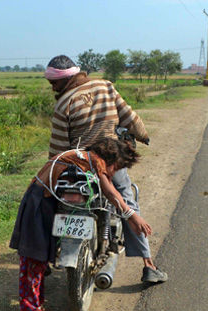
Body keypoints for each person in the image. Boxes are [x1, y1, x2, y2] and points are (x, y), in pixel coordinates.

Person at [43, 55, 167, 284]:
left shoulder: (63, 105)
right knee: (127, 202)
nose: (53, 87)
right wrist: (143, 135)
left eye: (55, 83)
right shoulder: (105, 86)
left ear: (67, 79)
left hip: (79, 165)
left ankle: (44, 258)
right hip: (111, 161)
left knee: (54, 202)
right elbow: (129, 116)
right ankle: (149, 265)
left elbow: (58, 149)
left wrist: (54, 171)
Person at [10, 138, 152, 311]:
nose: (113, 173)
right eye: (116, 167)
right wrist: (133, 216)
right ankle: (31, 310)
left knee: (40, 258)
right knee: (33, 259)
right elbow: (111, 193)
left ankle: (37, 305)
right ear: (111, 159)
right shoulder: (94, 160)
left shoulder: (84, 157)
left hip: (46, 202)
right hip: (38, 202)